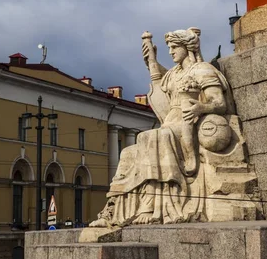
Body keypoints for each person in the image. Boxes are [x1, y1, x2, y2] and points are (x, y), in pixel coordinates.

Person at [91, 27, 233, 227]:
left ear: (187, 46)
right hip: (171, 122)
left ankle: (154, 206)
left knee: (154, 136)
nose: (171, 52)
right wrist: (151, 59)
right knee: (128, 152)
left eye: (175, 47)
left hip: (188, 123)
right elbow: (159, 80)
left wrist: (200, 107)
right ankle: (115, 210)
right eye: (169, 48)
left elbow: (220, 103)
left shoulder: (203, 70)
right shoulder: (174, 73)